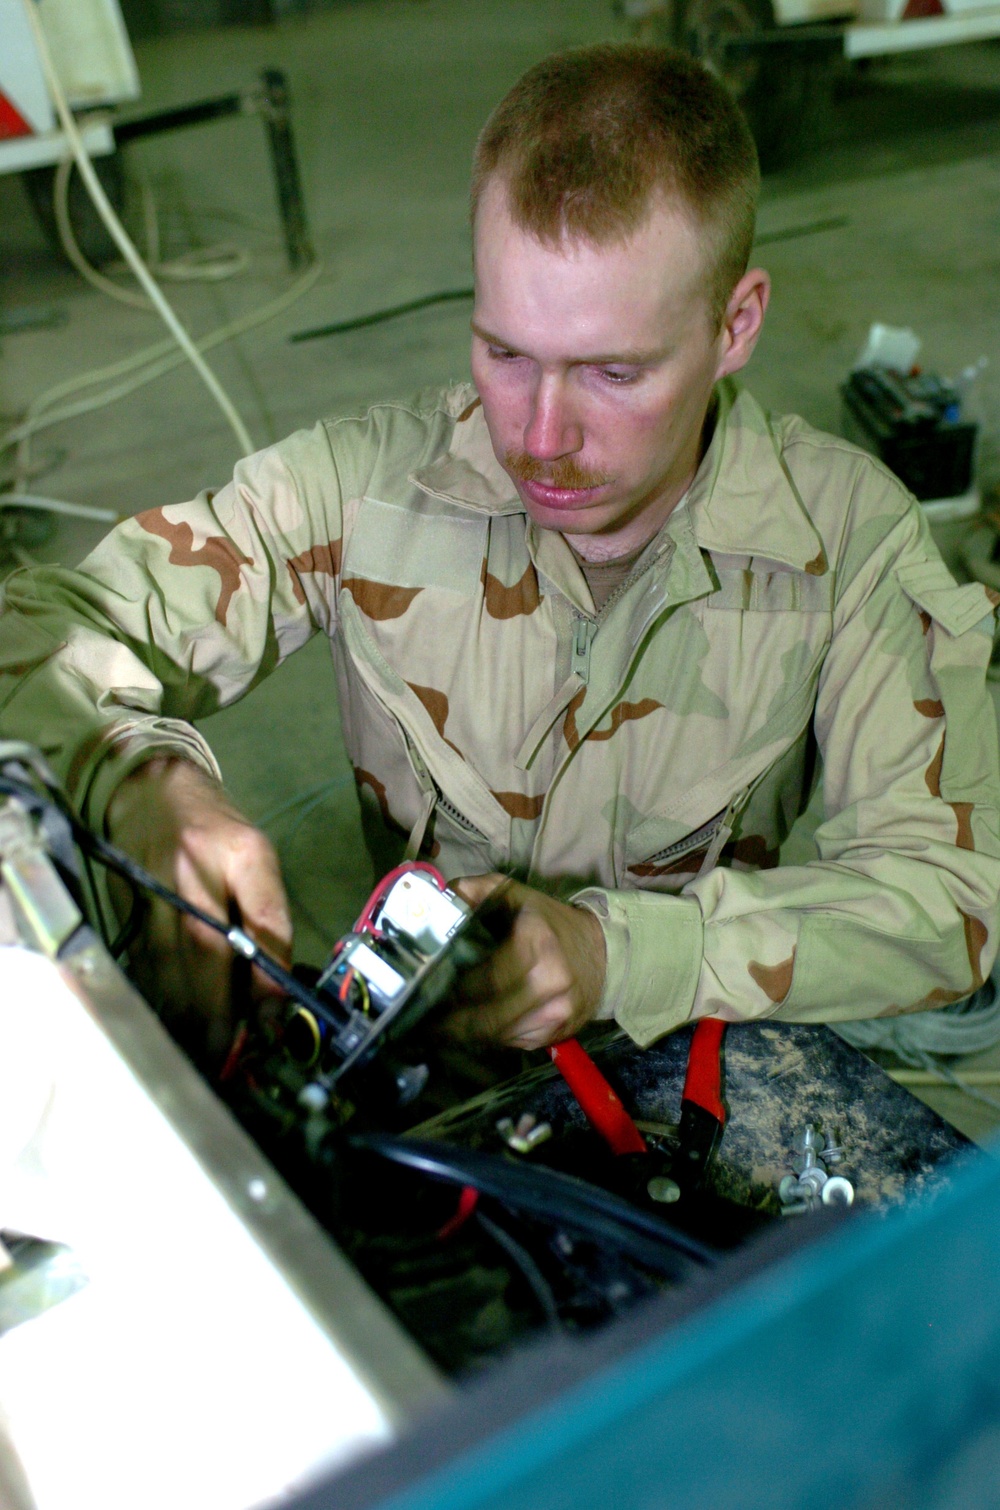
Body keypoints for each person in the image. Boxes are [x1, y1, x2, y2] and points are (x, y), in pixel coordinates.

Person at [1, 43, 998, 1068]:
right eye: (504, 352)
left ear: (735, 323)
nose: (540, 434)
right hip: (425, 1057)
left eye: (614, 372)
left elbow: (951, 897)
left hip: (674, 1058)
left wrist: (621, 958)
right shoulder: (360, 487)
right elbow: (30, 629)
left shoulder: (844, 538)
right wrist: (138, 778)